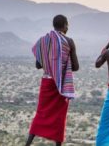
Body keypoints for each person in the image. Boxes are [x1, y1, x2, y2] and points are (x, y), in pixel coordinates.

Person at [26, 15, 80, 146]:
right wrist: (61, 64)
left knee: (41, 113)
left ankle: (28, 143)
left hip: (47, 82)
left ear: (54, 25)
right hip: (60, 85)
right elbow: (76, 67)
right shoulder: (69, 41)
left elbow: (38, 65)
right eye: (68, 25)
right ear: (65, 25)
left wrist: (50, 62)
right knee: (59, 117)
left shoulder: (44, 41)